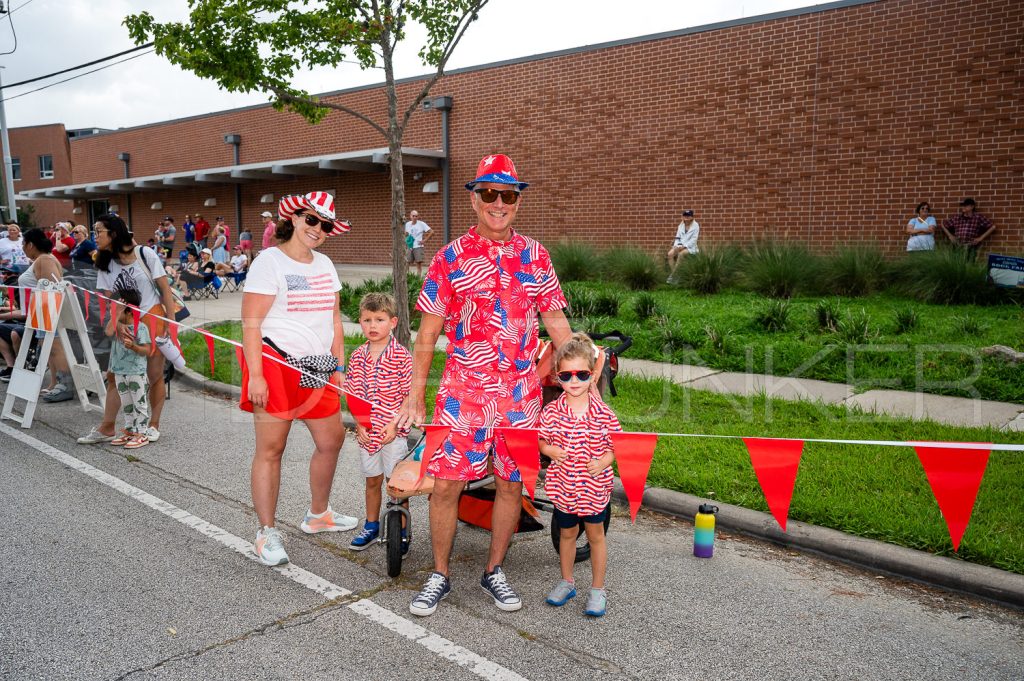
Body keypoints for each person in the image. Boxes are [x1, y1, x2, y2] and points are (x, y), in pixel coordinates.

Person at [397, 153, 572, 617]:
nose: (499, 203)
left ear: (517, 201)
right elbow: (428, 335)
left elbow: (556, 324)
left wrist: (578, 375)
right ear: (475, 199)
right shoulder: (449, 257)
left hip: (519, 398)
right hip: (462, 393)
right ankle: (439, 575)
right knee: (446, 486)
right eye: (489, 194)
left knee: (512, 485)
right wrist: (416, 395)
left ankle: (495, 570)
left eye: (508, 195)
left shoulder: (535, 255)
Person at [240, 191, 356, 566]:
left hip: (318, 366)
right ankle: (266, 532)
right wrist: (255, 375)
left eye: (325, 225)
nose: (317, 229)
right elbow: (251, 323)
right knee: (272, 449)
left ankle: (318, 514)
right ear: (294, 219)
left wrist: (337, 366)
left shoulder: (325, 264)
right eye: (311, 220)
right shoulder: (268, 262)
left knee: (331, 439)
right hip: (276, 363)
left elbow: (335, 319)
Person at [539, 333, 621, 618]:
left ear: (591, 375)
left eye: (582, 374)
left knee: (596, 536)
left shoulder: (603, 413)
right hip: (564, 487)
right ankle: (567, 581)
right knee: (567, 534)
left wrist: (604, 461)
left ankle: (598, 589)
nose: (574, 381)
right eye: (567, 375)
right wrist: (549, 450)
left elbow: (617, 446)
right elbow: (541, 441)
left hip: (594, 487)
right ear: (557, 377)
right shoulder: (550, 412)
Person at [76, 213, 176, 445]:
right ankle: (107, 427)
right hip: (124, 324)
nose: (95, 236)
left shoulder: (145, 253)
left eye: (98, 231)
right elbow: (107, 298)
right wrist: (118, 323)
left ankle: (152, 425)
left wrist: (171, 323)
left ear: (113, 232)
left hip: (152, 320)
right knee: (115, 375)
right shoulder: (104, 262)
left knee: (152, 376)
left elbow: (165, 290)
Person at [345, 292, 413, 551]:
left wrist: (395, 425)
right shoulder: (358, 356)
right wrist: (359, 424)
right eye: (367, 320)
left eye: (379, 319)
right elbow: (353, 395)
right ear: (360, 322)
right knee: (372, 480)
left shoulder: (401, 356)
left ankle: (402, 532)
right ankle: (372, 526)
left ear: (393, 322)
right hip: (368, 432)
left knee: (395, 484)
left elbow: (409, 397)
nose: (372, 326)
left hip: (392, 431)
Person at [19, 228, 75, 402]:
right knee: (48, 349)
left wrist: (49, 317)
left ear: (30, 244)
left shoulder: (44, 259)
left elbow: (51, 288)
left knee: (55, 347)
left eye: (23, 243)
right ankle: (55, 382)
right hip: (41, 313)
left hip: (48, 311)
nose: (22, 247)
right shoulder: (41, 259)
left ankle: (66, 384)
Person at [105, 287, 152, 450]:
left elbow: (148, 350)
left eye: (117, 308)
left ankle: (142, 433)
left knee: (139, 404)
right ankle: (130, 430)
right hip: (119, 371)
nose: (114, 311)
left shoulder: (141, 328)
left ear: (129, 310)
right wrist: (117, 313)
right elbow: (108, 331)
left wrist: (134, 347)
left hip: (136, 373)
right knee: (127, 404)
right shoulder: (117, 325)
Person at [667, 209, 700, 273]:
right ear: (682, 217)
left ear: (692, 217)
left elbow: (694, 240)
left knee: (681, 254)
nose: (686, 217)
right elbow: (677, 237)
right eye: (685, 215)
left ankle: (674, 274)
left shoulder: (696, 226)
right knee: (670, 254)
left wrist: (684, 246)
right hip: (680, 246)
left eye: (688, 216)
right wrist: (677, 246)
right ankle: (674, 272)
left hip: (690, 247)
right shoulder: (680, 226)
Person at [404, 210, 432, 277]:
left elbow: (431, 232)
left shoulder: (421, 224)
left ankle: (418, 278)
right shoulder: (407, 224)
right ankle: (406, 277)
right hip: (410, 246)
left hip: (418, 246)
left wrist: (424, 240)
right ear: (410, 216)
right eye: (413, 216)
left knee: (418, 263)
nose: (415, 217)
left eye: (416, 216)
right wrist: (407, 237)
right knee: (407, 262)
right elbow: (406, 234)